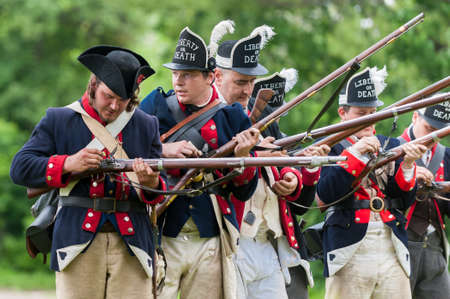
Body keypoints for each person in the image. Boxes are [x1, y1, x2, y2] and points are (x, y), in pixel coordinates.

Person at [10, 45, 166, 299]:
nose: (115, 106)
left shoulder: (146, 125)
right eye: (108, 96)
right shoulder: (59, 119)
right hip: (76, 242)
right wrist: (69, 164)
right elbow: (20, 168)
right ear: (93, 84)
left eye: (123, 100)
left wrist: (152, 182)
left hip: (133, 244)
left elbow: (162, 188)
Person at [139, 22, 260, 299]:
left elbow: (244, 190)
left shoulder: (232, 117)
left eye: (189, 75)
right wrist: (163, 150)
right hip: (163, 232)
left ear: (211, 76)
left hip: (210, 236)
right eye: (176, 74)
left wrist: (241, 159)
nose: (179, 81)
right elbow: (125, 154)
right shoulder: (154, 106)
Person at [214, 24, 326, 298]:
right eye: (240, 82)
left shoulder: (264, 122)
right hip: (230, 242)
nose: (247, 91)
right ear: (217, 76)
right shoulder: (208, 118)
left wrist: (295, 178)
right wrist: (256, 156)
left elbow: (296, 193)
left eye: (251, 82)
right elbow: (209, 167)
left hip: (269, 241)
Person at [316, 66, 428, 299]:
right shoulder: (331, 146)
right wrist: (354, 155)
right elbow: (326, 194)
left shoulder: (388, 143)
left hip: (391, 244)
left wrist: (408, 165)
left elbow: (403, 200)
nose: (369, 120)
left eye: (373, 112)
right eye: (361, 113)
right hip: (348, 245)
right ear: (342, 113)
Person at [398, 102, 450, 298]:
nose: (434, 136)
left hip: (435, 245)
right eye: (429, 129)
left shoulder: (446, 155)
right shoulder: (392, 149)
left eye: (439, 131)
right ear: (415, 117)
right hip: (399, 243)